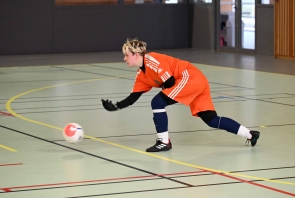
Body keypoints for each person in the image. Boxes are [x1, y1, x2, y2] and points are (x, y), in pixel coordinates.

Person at [101, 38, 260, 152]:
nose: (124, 58)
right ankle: (250, 134)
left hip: (190, 78)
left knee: (157, 103)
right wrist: (116, 106)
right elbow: (133, 97)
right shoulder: (141, 75)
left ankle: (164, 142)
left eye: (126, 55)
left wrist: (164, 92)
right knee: (211, 120)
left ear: (136, 54)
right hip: (197, 81)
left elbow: (169, 82)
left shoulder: (152, 60)